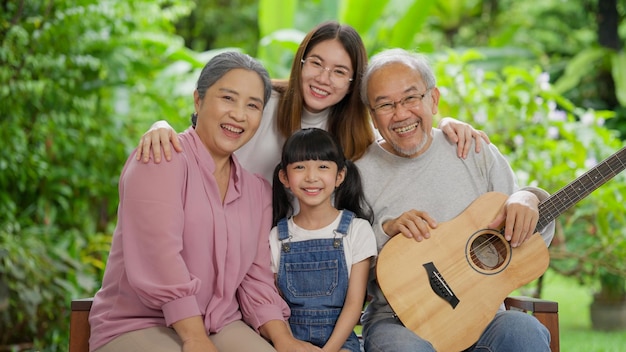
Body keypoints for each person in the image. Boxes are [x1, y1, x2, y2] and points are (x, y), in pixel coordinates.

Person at [88, 52, 324, 352]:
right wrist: (194, 337)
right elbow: (160, 258)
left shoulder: (256, 190)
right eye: (228, 98)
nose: (239, 115)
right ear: (198, 100)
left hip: (220, 322)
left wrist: (283, 340)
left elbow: (255, 278)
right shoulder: (161, 159)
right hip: (139, 322)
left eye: (252, 105)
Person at [355, 48, 556, 352]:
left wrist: (528, 197)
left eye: (411, 98)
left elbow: (534, 239)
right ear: (371, 114)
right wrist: (387, 230)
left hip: (484, 316)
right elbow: (344, 258)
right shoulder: (358, 172)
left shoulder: (473, 150)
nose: (401, 114)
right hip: (399, 320)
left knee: (524, 331)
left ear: (433, 99)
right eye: (385, 104)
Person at [135, 21, 490, 182]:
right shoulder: (263, 100)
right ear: (300, 62)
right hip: (219, 232)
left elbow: (399, 135)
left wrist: (444, 124)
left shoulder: (354, 136)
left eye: (339, 71)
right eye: (316, 64)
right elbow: (206, 131)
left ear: (353, 83)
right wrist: (161, 126)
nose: (323, 79)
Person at [270, 128, 377, 352]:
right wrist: (292, 345)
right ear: (284, 177)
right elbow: (276, 305)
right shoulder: (277, 236)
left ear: (339, 176)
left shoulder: (357, 230)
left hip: (340, 342)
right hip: (291, 342)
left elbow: (354, 304)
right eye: (300, 167)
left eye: (323, 167)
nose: (311, 176)